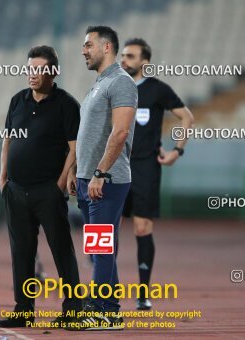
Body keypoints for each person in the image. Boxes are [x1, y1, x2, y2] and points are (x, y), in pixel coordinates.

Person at [0, 45, 82, 328]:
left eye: (39, 70)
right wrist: (4, 176)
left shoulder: (66, 104)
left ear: (53, 72)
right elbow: (8, 140)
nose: (32, 75)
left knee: (61, 250)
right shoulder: (17, 101)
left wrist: (59, 184)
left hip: (48, 191)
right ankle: (23, 310)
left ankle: (73, 311)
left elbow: (74, 148)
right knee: (21, 252)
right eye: (30, 69)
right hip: (16, 190)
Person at [67, 26, 137, 331]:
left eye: (88, 45)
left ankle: (99, 310)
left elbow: (120, 132)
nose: (83, 50)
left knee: (102, 247)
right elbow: (88, 135)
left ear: (106, 47)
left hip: (106, 180)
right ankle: (109, 309)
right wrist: (76, 170)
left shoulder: (121, 82)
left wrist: (99, 173)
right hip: (87, 179)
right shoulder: (99, 84)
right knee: (98, 248)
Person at [120, 38, 194, 310]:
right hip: (114, 166)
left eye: (130, 56)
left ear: (144, 62)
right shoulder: (111, 86)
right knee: (105, 228)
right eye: (122, 55)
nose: (123, 60)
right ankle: (103, 289)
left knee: (142, 228)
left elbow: (187, 117)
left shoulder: (158, 89)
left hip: (145, 168)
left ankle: (143, 293)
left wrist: (177, 151)